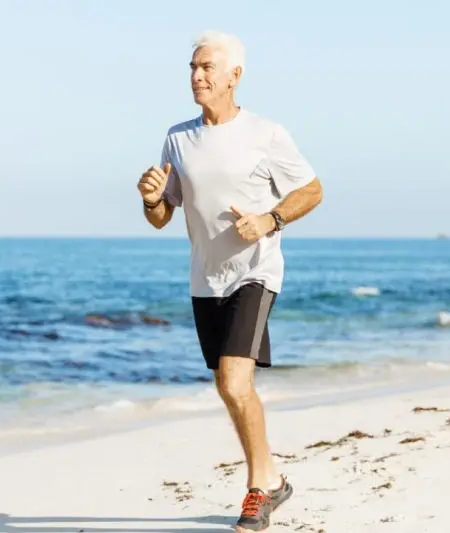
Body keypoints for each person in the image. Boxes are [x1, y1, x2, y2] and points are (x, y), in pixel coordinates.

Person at [137, 30, 323, 532]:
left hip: (255, 272)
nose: (197, 76)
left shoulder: (266, 133)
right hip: (206, 279)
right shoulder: (178, 137)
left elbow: (311, 190)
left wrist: (271, 220)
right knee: (229, 388)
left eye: (207, 68)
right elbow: (163, 215)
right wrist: (152, 197)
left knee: (233, 380)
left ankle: (258, 490)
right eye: (193, 68)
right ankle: (274, 479)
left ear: (234, 76)